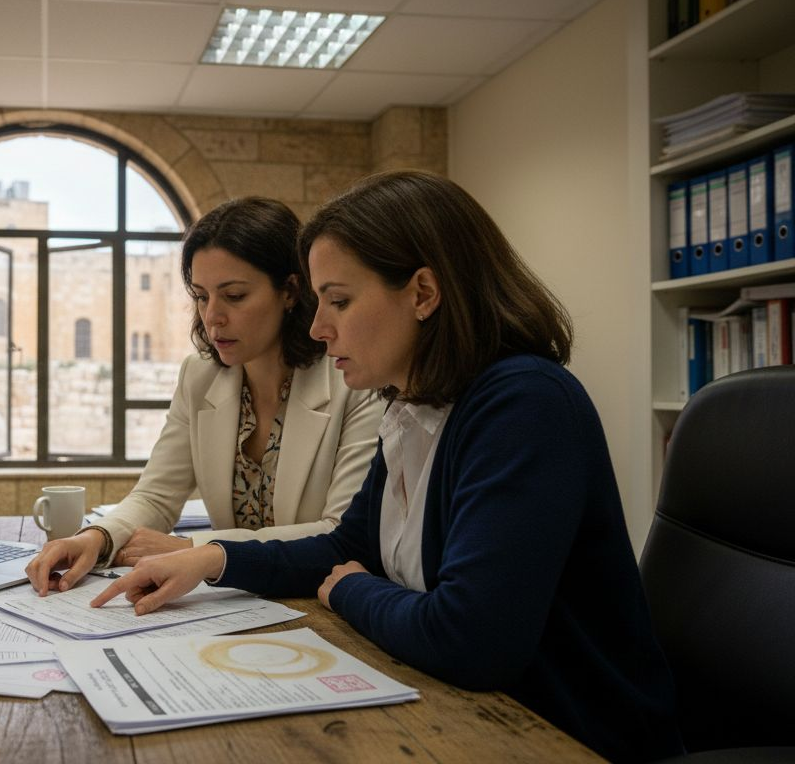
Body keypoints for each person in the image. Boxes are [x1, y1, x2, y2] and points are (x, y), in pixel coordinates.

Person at [91, 171, 684, 763]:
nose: (320, 329)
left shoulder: (523, 404)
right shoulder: (417, 406)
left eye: (340, 301)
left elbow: (469, 638)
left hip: (569, 735)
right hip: (469, 717)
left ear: (423, 294)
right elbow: (344, 544)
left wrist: (351, 589)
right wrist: (214, 560)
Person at [25, 196, 383, 595]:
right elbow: (157, 495)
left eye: (234, 296)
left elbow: (340, 533)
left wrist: (194, 550)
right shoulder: (200, 375)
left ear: (290, 291)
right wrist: (97, 538)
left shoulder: (352, 381)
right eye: (201, 295)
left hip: (316, 598)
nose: (212, 316)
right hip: (234, 605)